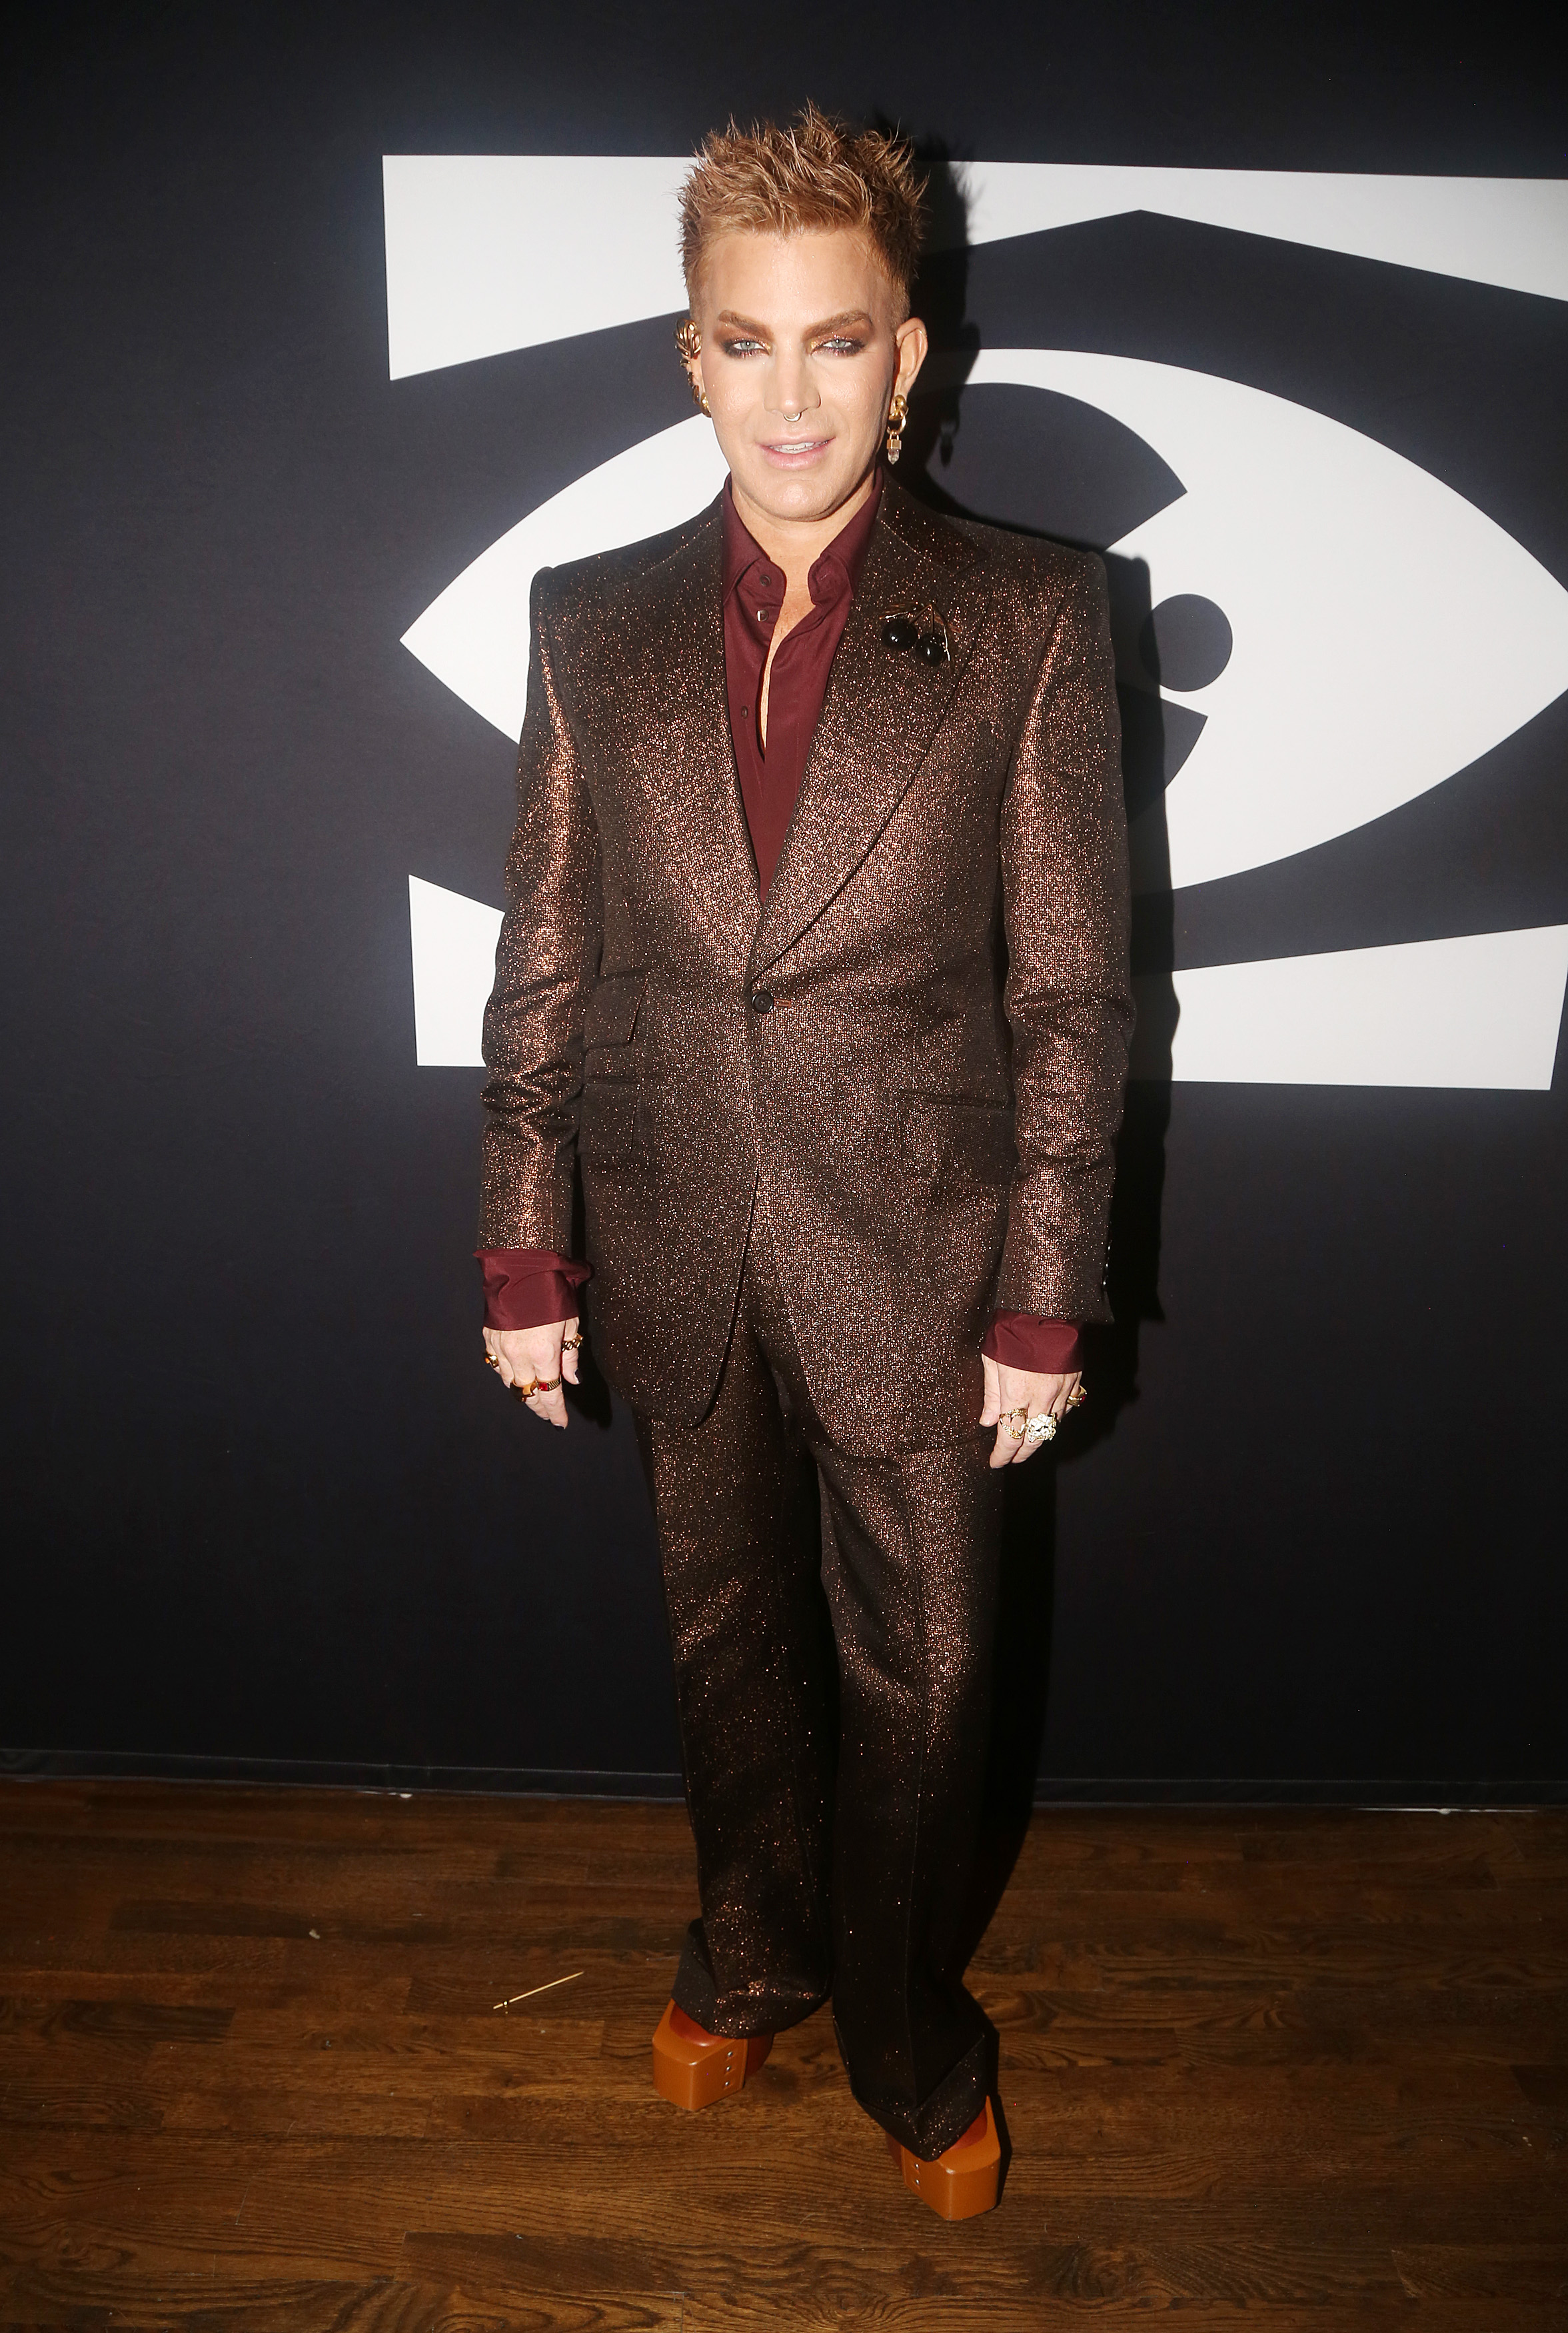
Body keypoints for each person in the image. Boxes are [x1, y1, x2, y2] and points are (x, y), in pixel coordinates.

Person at [475, 105, 1132, 2219]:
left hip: (927, 1260)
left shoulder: (1032, 620)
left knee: (925, 1680)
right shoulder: (590, 625)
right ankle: (744, 1949)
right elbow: (545, 964)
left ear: (907, 354)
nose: (790, 395)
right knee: (722, 1642)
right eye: (742, 345)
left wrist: (1047, 1290)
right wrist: (521, 1248)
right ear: (689, 358)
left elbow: (1073, 999)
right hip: (672, 1236)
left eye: (833, 344)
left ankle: (906, 2027)